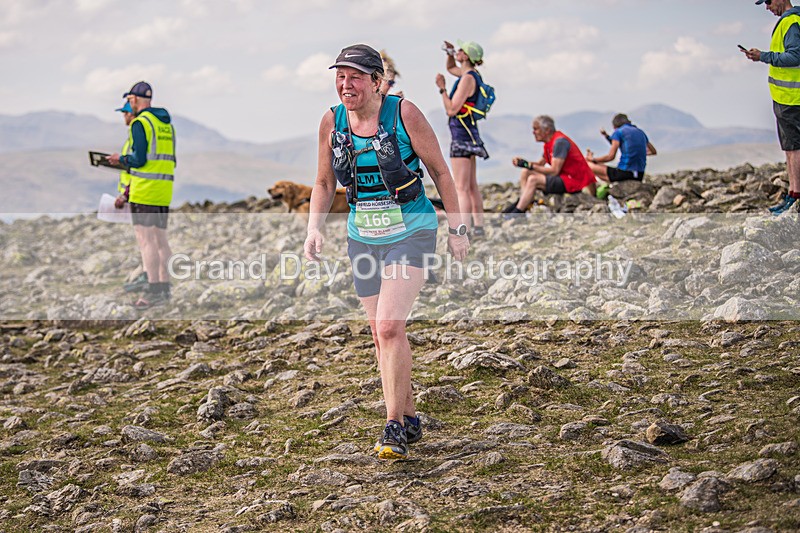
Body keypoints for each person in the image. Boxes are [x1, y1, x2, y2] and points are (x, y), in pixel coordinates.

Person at [304, 44, 469, 460]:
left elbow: (440, 173)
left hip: (410, 231)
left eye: (355, 76)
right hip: (363, 237)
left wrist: (458, 227)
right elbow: (324, 183)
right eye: (340, 77)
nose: (346, 84)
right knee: (381, 335)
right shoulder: (331, 121)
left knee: (391, 327)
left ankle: (393, 425)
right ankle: (410, 416)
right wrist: (314, 229)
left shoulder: (404, 114)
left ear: (377, 81)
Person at [107, 81, 176, 308]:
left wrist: (120, 160)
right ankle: (165, 288)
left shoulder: (141, 123)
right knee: (161, 241)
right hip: (163, 190)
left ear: (134, 99)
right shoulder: (166, 124)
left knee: (147, 242)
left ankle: (153, 289)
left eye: (128, 100)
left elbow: (139, 159)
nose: (128, 105)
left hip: (145, 190)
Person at [743, 0, 800, 215]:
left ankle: (794, 197)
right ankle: (792, 195)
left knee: (794, 148)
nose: (767, 6)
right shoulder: (791, 20)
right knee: (790, 147)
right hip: (787, 97)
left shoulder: (791, 21)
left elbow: (795, 56)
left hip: (791, 98)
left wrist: (763, 57)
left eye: (768, 1)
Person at [435, 39, 487, 237]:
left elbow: (451, 109)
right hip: (471, 134)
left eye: (460, 50)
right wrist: (448, 53)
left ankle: (463, 230)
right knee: (472, 185)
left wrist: (442, 89)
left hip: (461, 135)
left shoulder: (467, 79)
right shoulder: (472, 75)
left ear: (466, 55)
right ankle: (479, 226)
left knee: (461, 188)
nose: (458, 51)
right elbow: (451, 68)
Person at [504, 115, 596, 216]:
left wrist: (529, 165)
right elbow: (540, 164)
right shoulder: (549, 143)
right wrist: (524, 164)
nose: (533, 132)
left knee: (533, 180)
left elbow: (554, 170)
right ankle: (524, 200)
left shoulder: (560, 142)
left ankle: (518, 212)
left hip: (573, 181)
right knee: (526, 172)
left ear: (547, 130)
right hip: (564, 177)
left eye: (536, 129)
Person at [112, 101, 151, 294]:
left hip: (138, 192)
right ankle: (150, 277)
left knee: (146, 239)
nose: (124, 117)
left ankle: (148, 277)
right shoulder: (134, 136)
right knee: (147, 239)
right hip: (137, 192)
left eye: (125, 113)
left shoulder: (138, 132)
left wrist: (125, 194)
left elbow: (137, 165)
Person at [586, 113, 657, 196]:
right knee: (599, 167)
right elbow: (653, 151)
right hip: (639, 175)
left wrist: (592, 159)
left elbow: (610, 157)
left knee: (587, 165)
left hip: (624, 173)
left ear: (614, 126)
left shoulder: (618, 132)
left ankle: (593, 196)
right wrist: (638, 153)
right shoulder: (640, 132)